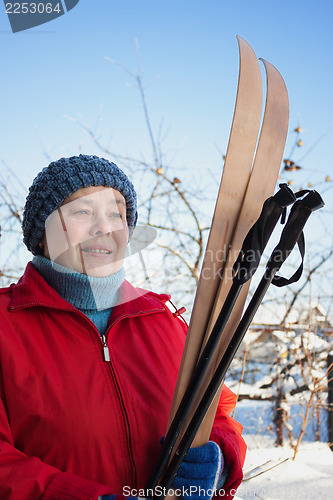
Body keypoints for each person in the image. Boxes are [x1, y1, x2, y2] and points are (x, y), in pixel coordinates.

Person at [0, 155, 246, 500]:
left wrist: (219, 456)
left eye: (116, 213)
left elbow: (217, 411)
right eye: (82, 212)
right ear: (42, 234)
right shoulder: (5, 323)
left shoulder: (164, 318)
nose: (105, 227)